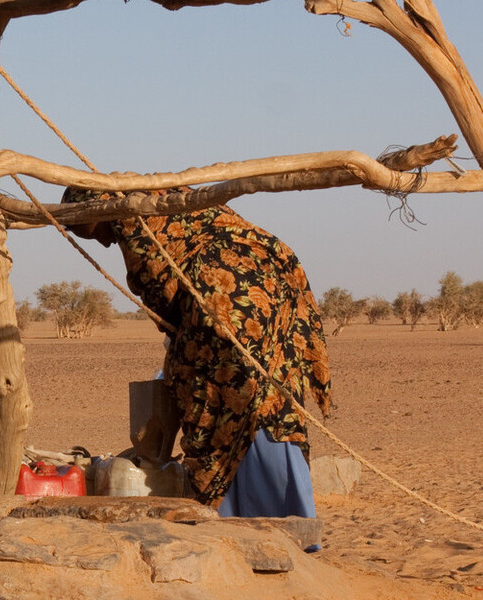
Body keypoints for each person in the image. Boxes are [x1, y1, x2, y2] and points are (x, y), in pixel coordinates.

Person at [65, 188, 333, 523]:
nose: (102, 243)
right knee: (274, 400)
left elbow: (159, 292)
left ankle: (236, 516)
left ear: (96, 215)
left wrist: (178, 345)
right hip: (274, 282)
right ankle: (292, 517)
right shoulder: (163, 196)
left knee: (216, 402)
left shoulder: (132, 219)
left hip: (224, 300)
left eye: (90, 233)